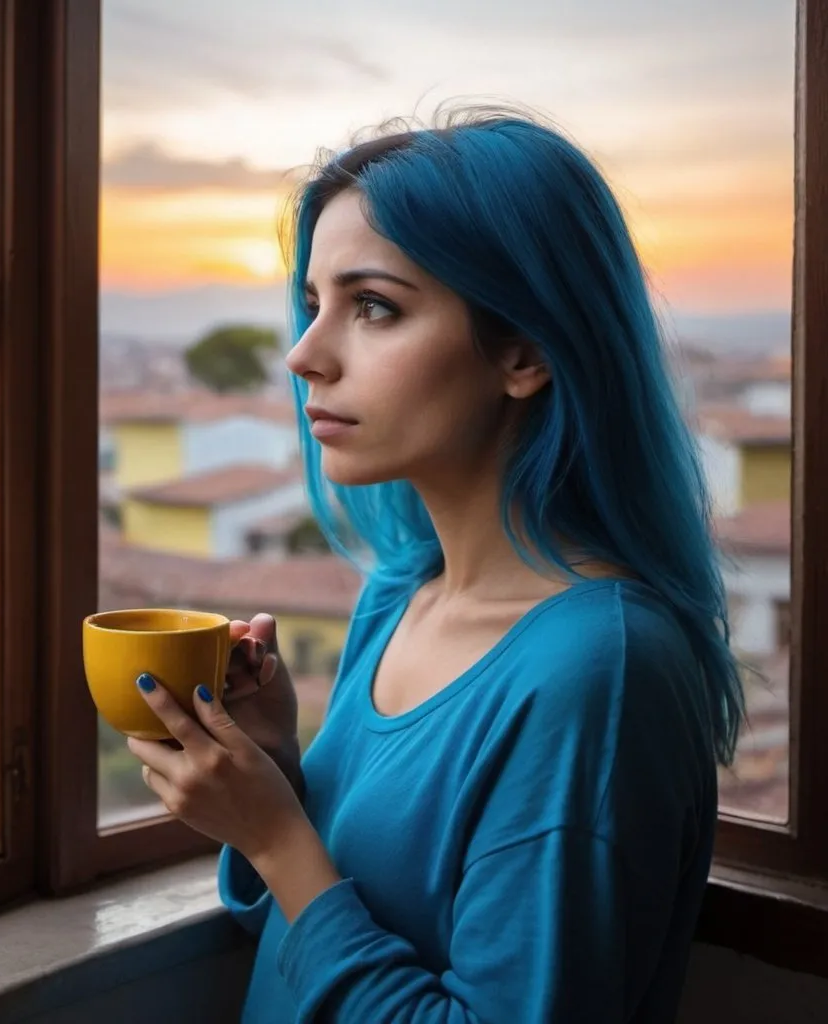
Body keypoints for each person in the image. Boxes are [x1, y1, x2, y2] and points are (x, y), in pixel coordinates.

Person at [126, 109, 744, 1023]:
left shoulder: (599, 672)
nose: (304, 356)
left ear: (526, 350)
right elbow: (325, 947)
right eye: (313, 305)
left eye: (373, 307)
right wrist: (277, 777)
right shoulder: (397, 599)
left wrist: (278, 835)